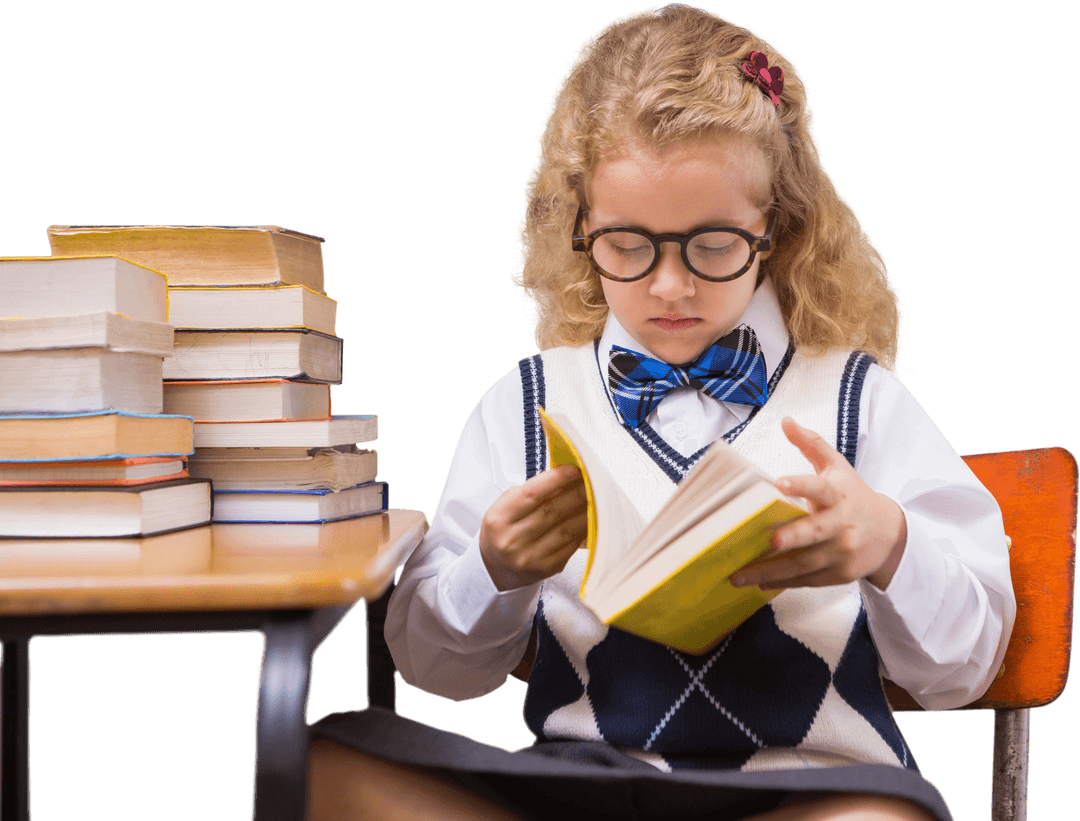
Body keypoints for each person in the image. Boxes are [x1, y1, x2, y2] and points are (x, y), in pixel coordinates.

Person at [307, 5, 1015, 819]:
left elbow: (966, 666)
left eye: (713, 245)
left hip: (805, 793)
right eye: (628, 245)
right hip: (582, 790)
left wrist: (889, 543)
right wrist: (492, 570)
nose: (669, 285)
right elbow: (440, 670)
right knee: (328, 756)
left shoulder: (860, 396)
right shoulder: (529, 402)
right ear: (580, 228)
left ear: (775, 230)